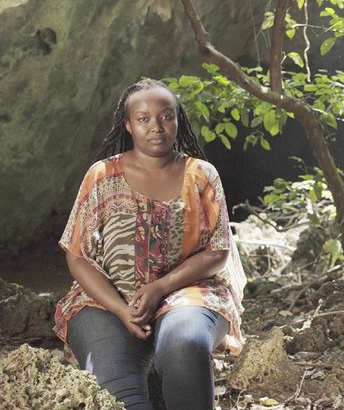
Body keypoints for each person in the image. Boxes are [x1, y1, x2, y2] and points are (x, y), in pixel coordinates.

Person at [53, 78, 247, 410]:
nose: (156, 127)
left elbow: (218, 250)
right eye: (143, 119)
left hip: (188, 290)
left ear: (177, 119)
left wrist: (160, 287)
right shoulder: (101, 176)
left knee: (183, 343)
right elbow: (77, 256)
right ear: (128, 124)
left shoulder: (201, 174)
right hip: (107, 299)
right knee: (119, 394)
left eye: (166, 116)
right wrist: (119, 308)